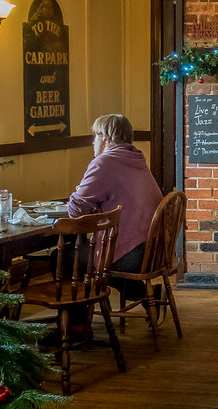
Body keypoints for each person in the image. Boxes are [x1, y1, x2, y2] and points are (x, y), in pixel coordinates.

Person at [68, 114, 163, 298]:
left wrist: (78, 190)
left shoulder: (104, 162)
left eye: (94, 136)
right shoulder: (135, 158)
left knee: (65, 259)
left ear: (104, 137)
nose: (92, 142)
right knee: (93, 261)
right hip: (154, 249)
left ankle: (76, 324)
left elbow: (76, 211)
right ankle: (148, 295)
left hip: (132, 254)